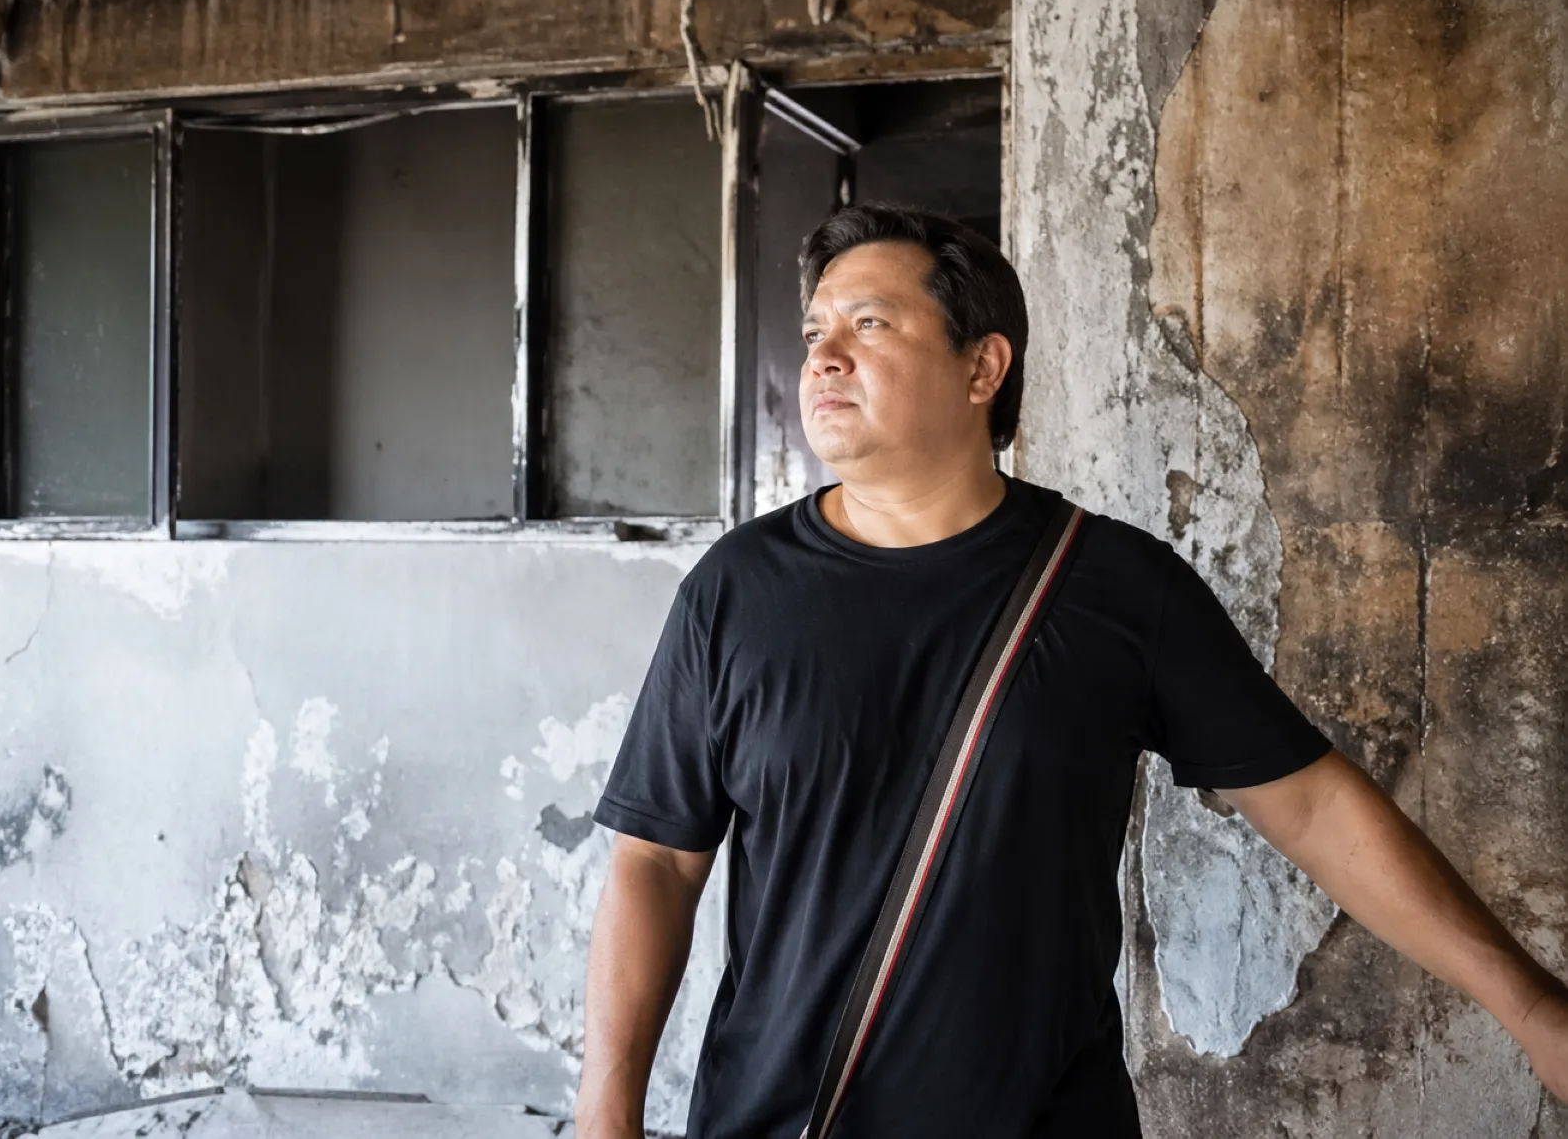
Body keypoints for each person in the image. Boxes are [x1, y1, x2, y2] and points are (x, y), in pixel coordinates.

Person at [572, 202, 1568, 1138]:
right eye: (813, 331)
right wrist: (605, 1115)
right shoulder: (736, 589)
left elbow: (1310, 805)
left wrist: (1530, 1007)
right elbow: (657, 859)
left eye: (868, 323)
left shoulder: (1114, 586)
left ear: (982, 366)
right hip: (785, 1117)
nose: (823, 357)